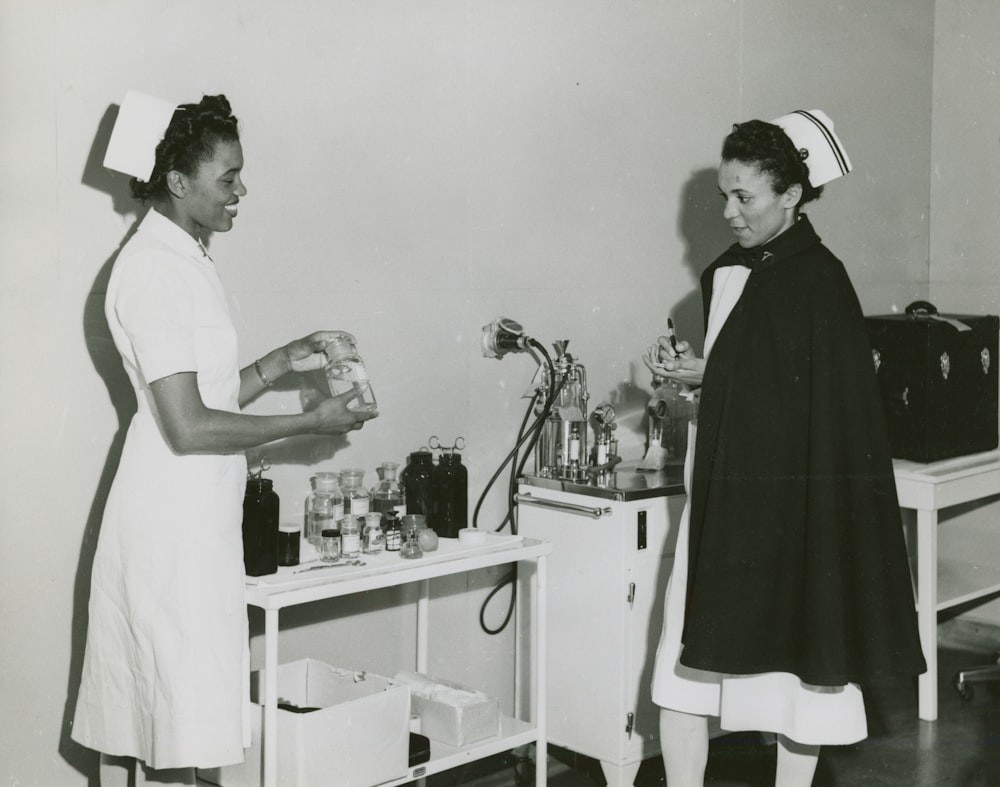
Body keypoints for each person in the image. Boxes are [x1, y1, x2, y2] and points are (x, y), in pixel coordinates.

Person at [72, 91, 378, 786]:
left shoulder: (186, 257)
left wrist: (283, 359)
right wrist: (310, 420)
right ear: (178, 182)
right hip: (168, 522)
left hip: (197, 519)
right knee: (174, 723)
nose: (242, 190)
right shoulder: (151, 269)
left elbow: (209, 394)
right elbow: (187, 424)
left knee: (191, 721)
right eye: (229, 177)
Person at [643, 110, 925, 786]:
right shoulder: (725, 276)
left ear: (791, 195)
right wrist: (698, 371)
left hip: (791, 521)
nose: (730, 212)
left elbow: (819, 412)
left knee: (800, 688)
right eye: (724, 196)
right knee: (682, 681)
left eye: (746, 196)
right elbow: (748, 379)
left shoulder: (820, 281)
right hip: (723, 509)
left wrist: (714, 372)